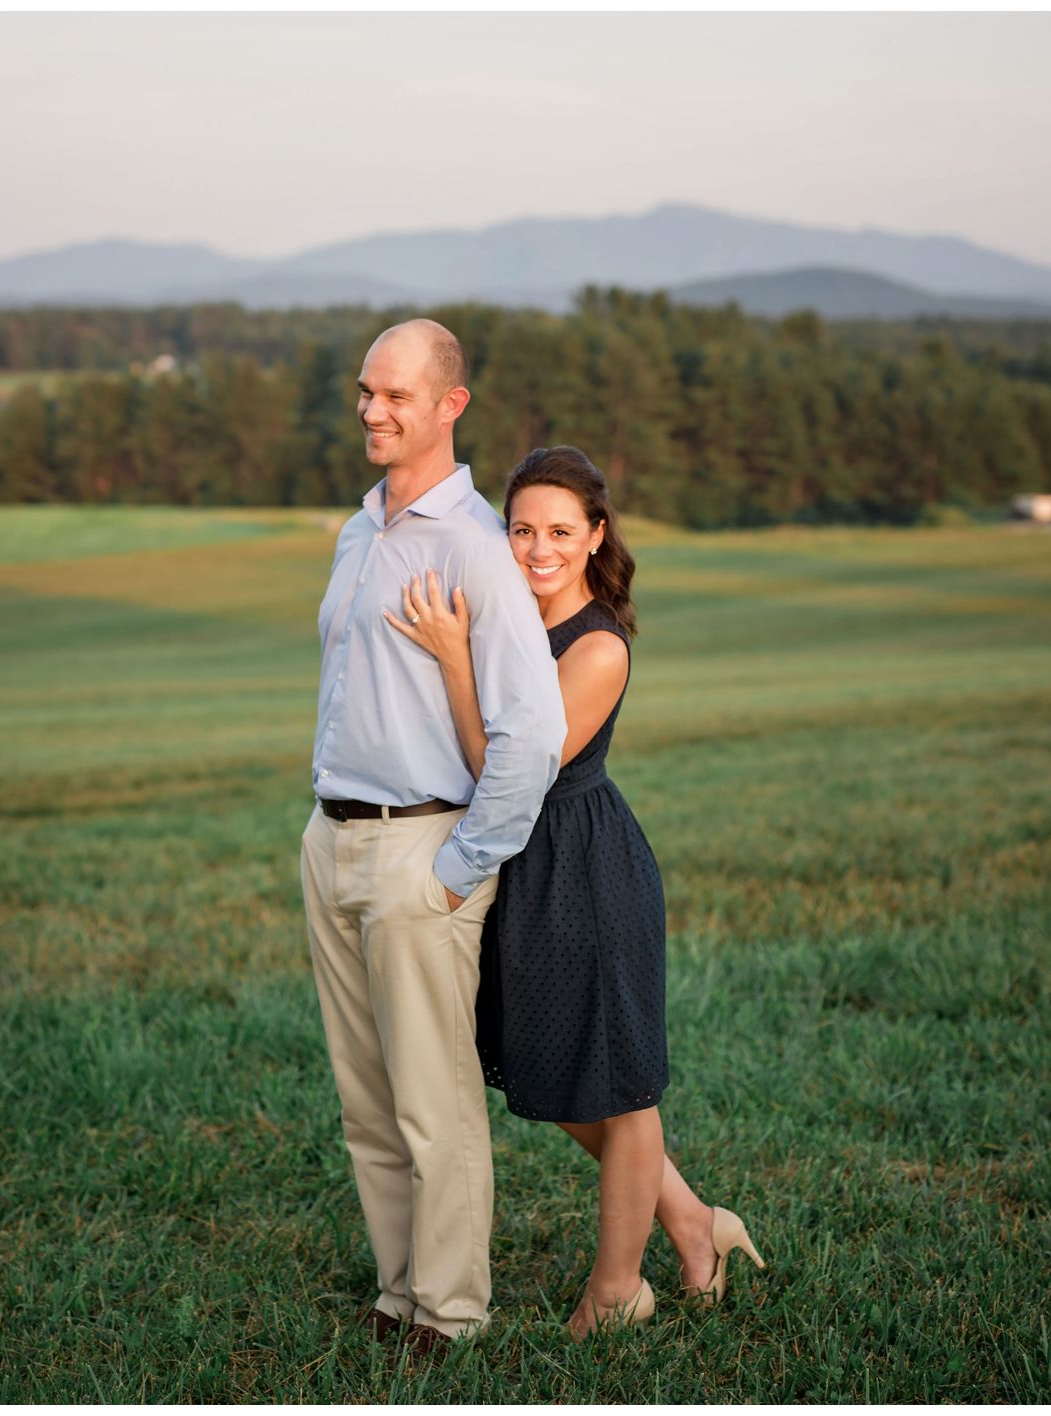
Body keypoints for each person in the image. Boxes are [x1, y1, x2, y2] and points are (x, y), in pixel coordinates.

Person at [385, 445, 769, 1339]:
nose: (536, 548)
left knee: (618, 1092)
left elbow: (504, 775)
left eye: (560, 530)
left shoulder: (595, 645)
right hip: (521, 870)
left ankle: (616, 1289)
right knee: (558, 1081)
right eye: (519, 529)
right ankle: (693, 1221)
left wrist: (449, 660)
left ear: (596, 536)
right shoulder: (506, 616)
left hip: (582, 873)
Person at [302, 320, 568, 1356]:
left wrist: (463, 867)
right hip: (330, 842)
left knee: (432, 1104)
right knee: (366, 1101)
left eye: (395, 396)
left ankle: (450, 1314)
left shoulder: (473, 549)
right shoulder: (356, 530)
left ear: (448, 406)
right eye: (364, 390)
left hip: (422, 850)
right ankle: (395, 1289)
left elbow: (532, 731)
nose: (371, 410)